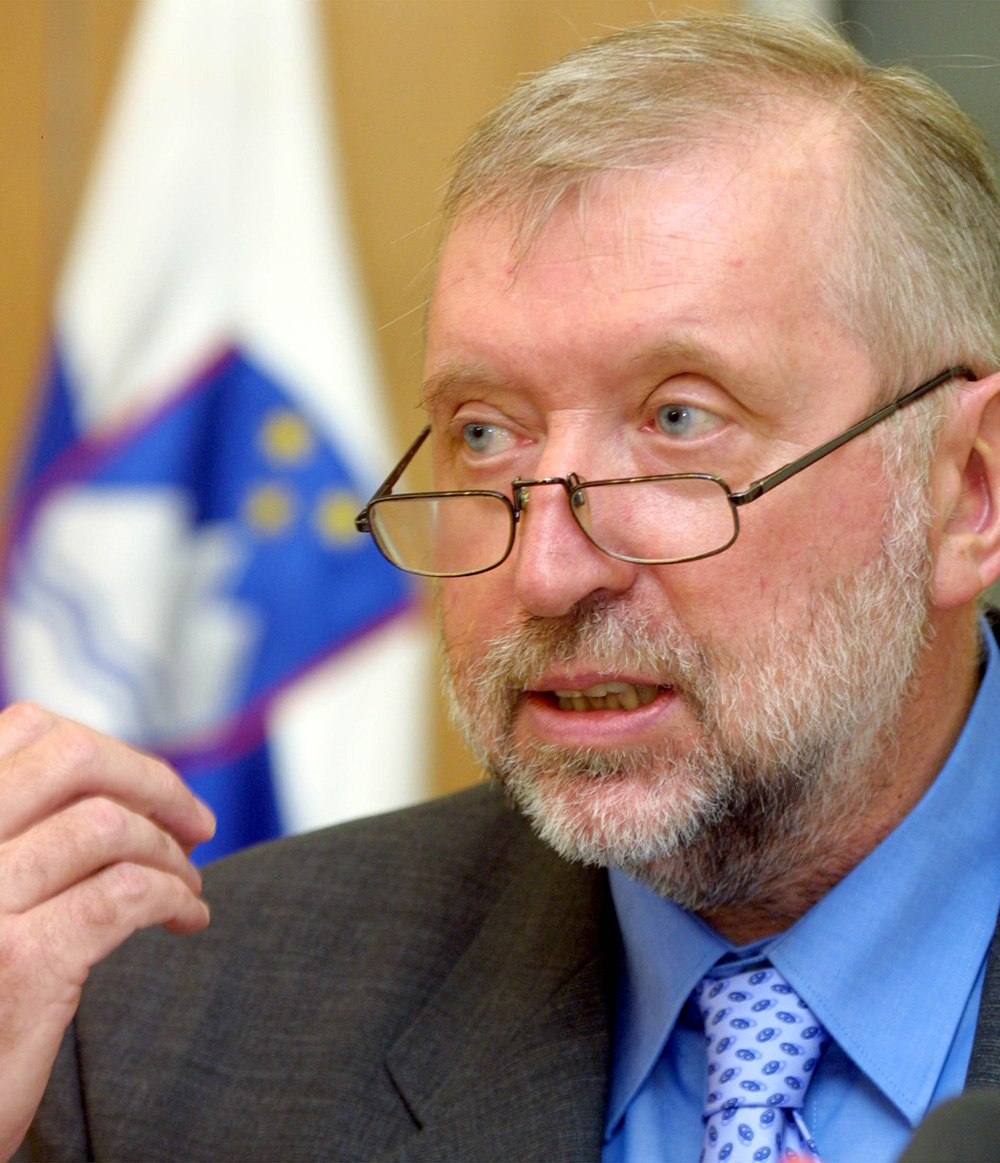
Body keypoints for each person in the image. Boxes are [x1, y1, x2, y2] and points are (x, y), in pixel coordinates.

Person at [9, 12, 1000, 1162]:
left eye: (679, 419)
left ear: (966, 491)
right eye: (484, 433)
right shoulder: (161, 1036)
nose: (547, 568)